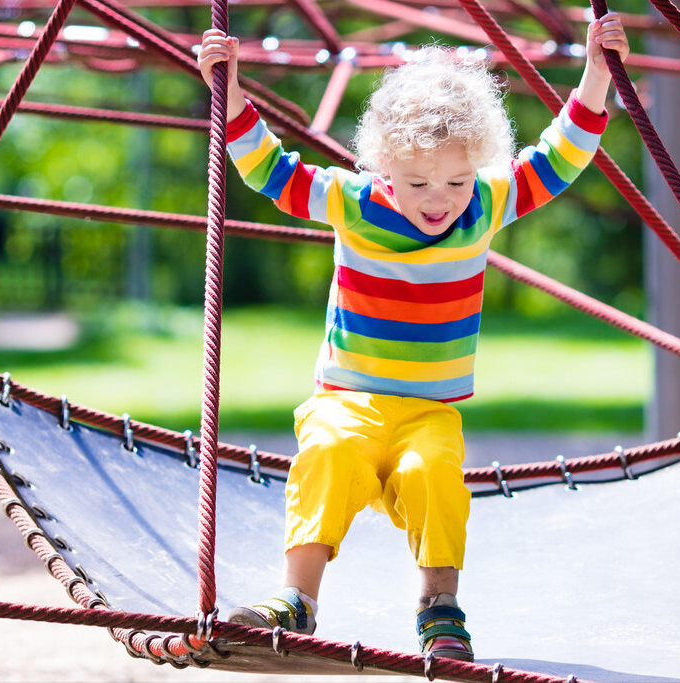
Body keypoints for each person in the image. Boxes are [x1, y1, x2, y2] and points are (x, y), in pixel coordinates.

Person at [197, 14, 629, 662]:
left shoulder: (483, 204)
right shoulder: (352, 202)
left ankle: (439, 606)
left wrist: (596, 73)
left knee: (434, 475)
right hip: (349, 397)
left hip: (429, 410)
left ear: (476, 170)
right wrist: (226, 90)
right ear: (384, 168)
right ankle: (297, 598)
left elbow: (560, 156)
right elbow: (268, 169)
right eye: (418, 183)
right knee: (330, 456)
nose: (439, 200)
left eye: (456, 181)